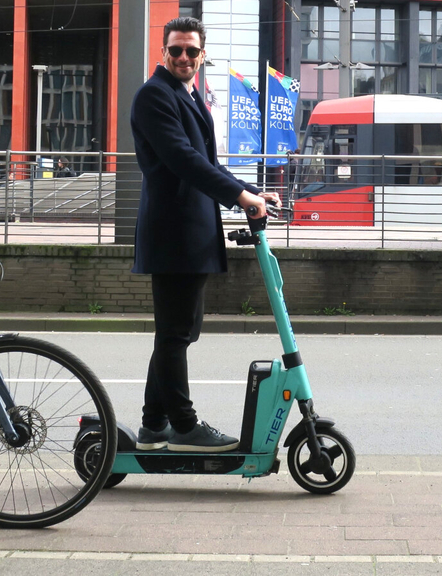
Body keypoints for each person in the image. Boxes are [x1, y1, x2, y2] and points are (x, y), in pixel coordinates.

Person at [130, 16, 280, 453]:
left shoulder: (186, 94)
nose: (182, 57)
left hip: (190, 231)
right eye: (175, 50)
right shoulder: (154, 96)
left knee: (179, 333)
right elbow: (182, 159)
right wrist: (237, 196)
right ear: (163, 52)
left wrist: (250, 192)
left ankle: (154, 424)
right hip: (173, 231)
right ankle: (183, 426)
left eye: (190, 51)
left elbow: (206, 160)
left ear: (201, 55)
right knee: (175, 334)